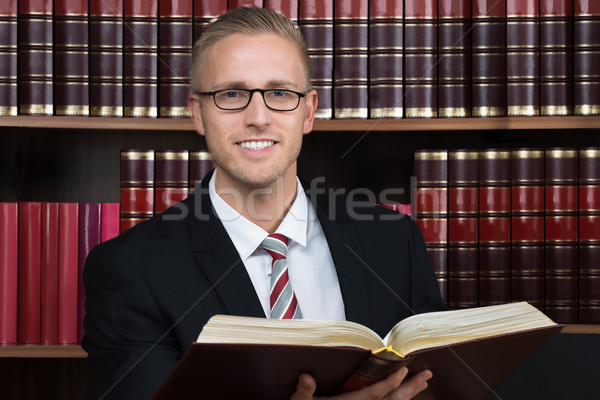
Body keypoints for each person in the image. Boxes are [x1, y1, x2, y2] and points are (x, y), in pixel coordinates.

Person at [82, 6, 447, 400]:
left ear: (308, 111)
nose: (258, 117)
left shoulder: (394, 242)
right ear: (198, 114)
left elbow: (441, 387)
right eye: (232, 94)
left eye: (279, 93)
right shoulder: (131, 270)